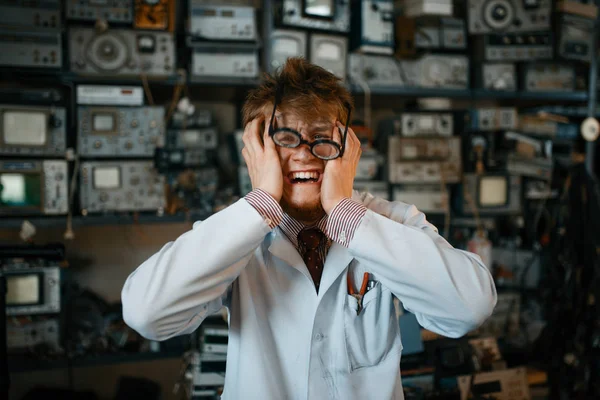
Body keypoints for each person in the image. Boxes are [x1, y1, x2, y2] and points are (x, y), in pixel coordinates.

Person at [121, 57, 497, 399]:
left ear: (348, 147)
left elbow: (469, 307)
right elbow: (146, 313)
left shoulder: (391, 222)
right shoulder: (235, 232)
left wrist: (344, 213)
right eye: (284, 138)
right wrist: (262, 202)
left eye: (321, 137)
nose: (304, 153)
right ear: (256, 151)